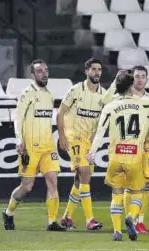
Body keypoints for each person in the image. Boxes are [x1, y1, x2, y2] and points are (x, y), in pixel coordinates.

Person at [86, 71, 149, 241]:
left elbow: (100, 131)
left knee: (116, 195)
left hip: (115, 157)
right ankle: (131, 216)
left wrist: (92, 152)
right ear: (131, 88)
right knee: (137, 192)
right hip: (134, 157)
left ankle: (117, 231)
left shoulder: (110, 106)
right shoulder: (144, 104)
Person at [2, 59, 66, 231]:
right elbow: (18, 118)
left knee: (53, 180)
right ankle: (8, 212)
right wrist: (19, 139)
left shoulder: (50, 94)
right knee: (27, 186)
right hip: (30, 148)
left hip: (48, 146)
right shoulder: (27, 94)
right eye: (39, 71)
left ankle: (52, 222)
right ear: (32, 75)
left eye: (46, 70)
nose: (44, 73)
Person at [103, 66, 149, 234]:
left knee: (145, 184)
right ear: (132, 79)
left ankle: (139, 221)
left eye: (143, 76)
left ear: (146, 79)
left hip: (147, 147)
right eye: (137, 76)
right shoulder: (119, 97)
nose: (140, 79)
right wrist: (115, 81)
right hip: (129, 148)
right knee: (128, 185)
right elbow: (105, 101)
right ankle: (131, 218)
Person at [57, 58, 106, 230]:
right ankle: (89, 219)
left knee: (80, 180)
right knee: (85, 172)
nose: (97, 72)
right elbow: (60, 113)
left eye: (99, 69)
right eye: (93, 69)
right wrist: (62, 136)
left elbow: (102, 122)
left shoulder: (104, 95)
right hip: (73, 137)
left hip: (88, 142)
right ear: (86, 71)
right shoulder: (76, 90)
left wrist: (95, 138)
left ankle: (66, 217)